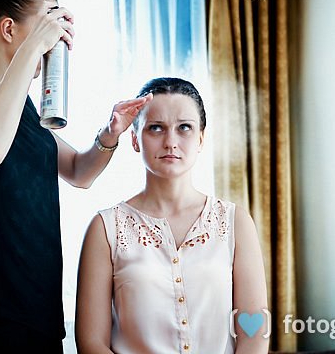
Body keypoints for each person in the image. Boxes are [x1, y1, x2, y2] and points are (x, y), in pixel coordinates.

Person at [0, 0, 151, 353]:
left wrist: (110, 134)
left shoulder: (23, 108)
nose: (54, 41)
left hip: (41, 299)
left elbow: (79, 172)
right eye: (46, 26)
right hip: (0, 302)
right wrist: (33, 47)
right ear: (8, 29)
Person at [75, 77, 269, 353]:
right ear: (135, 139)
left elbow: (254, 334)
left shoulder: (235, 222)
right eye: (156, 128)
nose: (170, 142)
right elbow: (91, 343)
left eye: (184, 128)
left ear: (200, 139)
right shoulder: (105, 228)